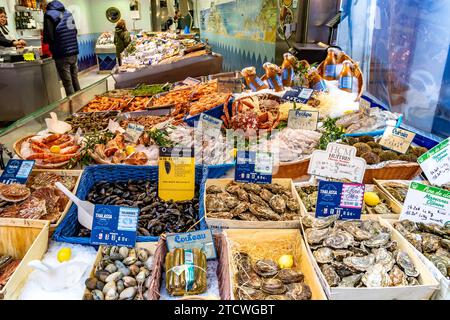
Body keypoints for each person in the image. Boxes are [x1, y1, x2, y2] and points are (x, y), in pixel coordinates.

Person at [43, 1, 80, 96]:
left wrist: (46, 41)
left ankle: (73, 106)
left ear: (46, 7)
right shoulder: (68, 13)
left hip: (61, 53)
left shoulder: (49, 15)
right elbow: (74, 31)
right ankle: (81, 101)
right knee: (75, 79)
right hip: (74, 52)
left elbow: (49, 36)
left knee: (67, 83)